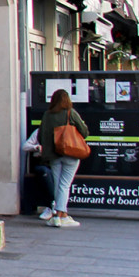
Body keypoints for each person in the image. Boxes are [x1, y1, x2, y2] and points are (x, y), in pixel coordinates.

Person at [37, 89, 90, 228]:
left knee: (58, 184)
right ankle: (61, 214)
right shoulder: (70, 113)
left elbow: (40, 136)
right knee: (65, 184)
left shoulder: (47, 115)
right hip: (71, 154)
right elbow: (84, 132)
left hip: (54, 155)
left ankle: (58, 214)